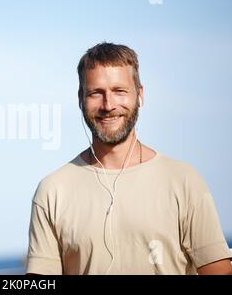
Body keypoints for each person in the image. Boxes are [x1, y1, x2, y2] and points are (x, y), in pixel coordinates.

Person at [26, 42, 232, 275]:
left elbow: (219, 271)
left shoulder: (183, 181)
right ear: (80, 98)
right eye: (96, 93)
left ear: (140, 95)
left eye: (119, 91)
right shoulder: (52, 191)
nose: (109, 105)